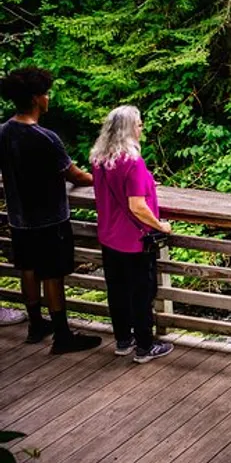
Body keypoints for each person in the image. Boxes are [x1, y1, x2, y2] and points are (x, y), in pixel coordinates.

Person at [0, 67, 101, 353]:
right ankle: (62, 335)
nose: (48, 98)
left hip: (19, 218)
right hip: (50, 218)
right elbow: (75, 176)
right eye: (45, 93)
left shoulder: (4, 132)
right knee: (53, 274)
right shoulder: (45, 138)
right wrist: (103, 179)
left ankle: (35, 325)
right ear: (35, 99)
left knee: (28, 270)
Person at [91, 105, 174, 363]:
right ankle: (145, 347)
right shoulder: (133, 162)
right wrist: (160, 226)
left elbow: (122, 187)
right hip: (133, 241)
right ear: (129, 130)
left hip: (108, 236)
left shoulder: (100, 159)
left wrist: (148, 182)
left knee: (116, 290)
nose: (141, 128)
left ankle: (123, 341)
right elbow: (136, 205)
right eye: (139, 124)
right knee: (141, 292)